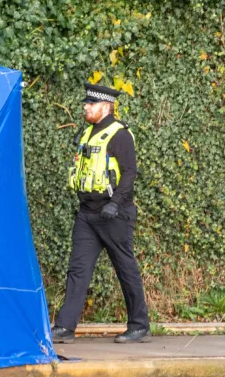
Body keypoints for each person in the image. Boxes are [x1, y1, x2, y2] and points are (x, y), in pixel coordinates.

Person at [50, 83, 151, 344]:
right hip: (87, 213)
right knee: (78, 269)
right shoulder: (88, 134)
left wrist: (115, 203)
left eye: (90, 104)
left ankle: (140, 326)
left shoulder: (120, 135)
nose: (85, 107)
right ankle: (64, 327)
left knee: (125, 268)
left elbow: (129, 172)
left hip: (114, 214)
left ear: (105, 107)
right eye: (86, 103)